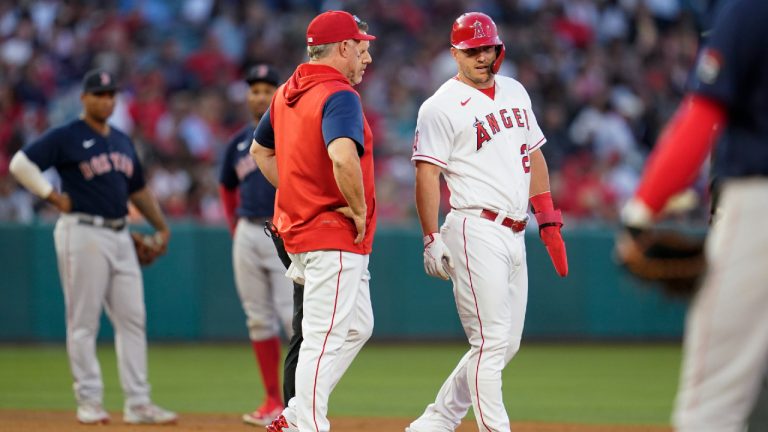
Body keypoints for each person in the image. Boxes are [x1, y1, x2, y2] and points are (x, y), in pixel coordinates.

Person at [407, 12, 568, 432]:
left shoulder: (514, 89)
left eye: (488, 48)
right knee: (490, 342)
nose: (481, 56)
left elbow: (533, 154)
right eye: (472, 50)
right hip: (473, 226)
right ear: (454, 53)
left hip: (516, 230)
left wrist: (547, 216)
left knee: (504, 345)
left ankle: (436, 421)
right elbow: (427, 174)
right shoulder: (439, 106)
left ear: (499, 50)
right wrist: (429, 236)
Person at [619, 1, 768, 431]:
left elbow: (701, 117)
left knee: (711, 407)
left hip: (758, 204)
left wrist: (641, 208)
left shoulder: (749, 11)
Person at [8, 69, 177, 425]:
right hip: (81, 231)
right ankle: (88, 399)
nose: (106, 100)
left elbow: (139, 189)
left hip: (120, 233)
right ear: (84, 98)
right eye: (99, 94)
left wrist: (160, 226)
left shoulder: (121, 139)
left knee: (133, 319)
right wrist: (51, 195)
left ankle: (138, 402)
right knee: (83, 322)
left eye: (111, 95)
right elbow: (20, 163)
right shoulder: (67, 135)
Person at [250, 10, 376, 432]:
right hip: (331, 234)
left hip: (300, 233)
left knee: (358, 326)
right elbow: (343, 155)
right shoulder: (339, 94)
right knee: (321, 344)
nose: (366, 58)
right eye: (361, 48)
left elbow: (259, 152)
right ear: (342, 48)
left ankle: (294, 415)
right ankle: (307, 424)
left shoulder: (286, 91)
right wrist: (357, 209)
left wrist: (298, 191)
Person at [218, 64, 294, 426]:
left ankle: (300, 402)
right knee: (258, 319)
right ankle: (271, 400)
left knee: (292, 319)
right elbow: (226, 186)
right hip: (247, 230)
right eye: (254, 90)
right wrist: (234, 226)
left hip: (282, 231)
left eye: (267, 89)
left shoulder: (292, 131)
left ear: (278, 94)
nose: (260, 95)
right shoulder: (236, 142)